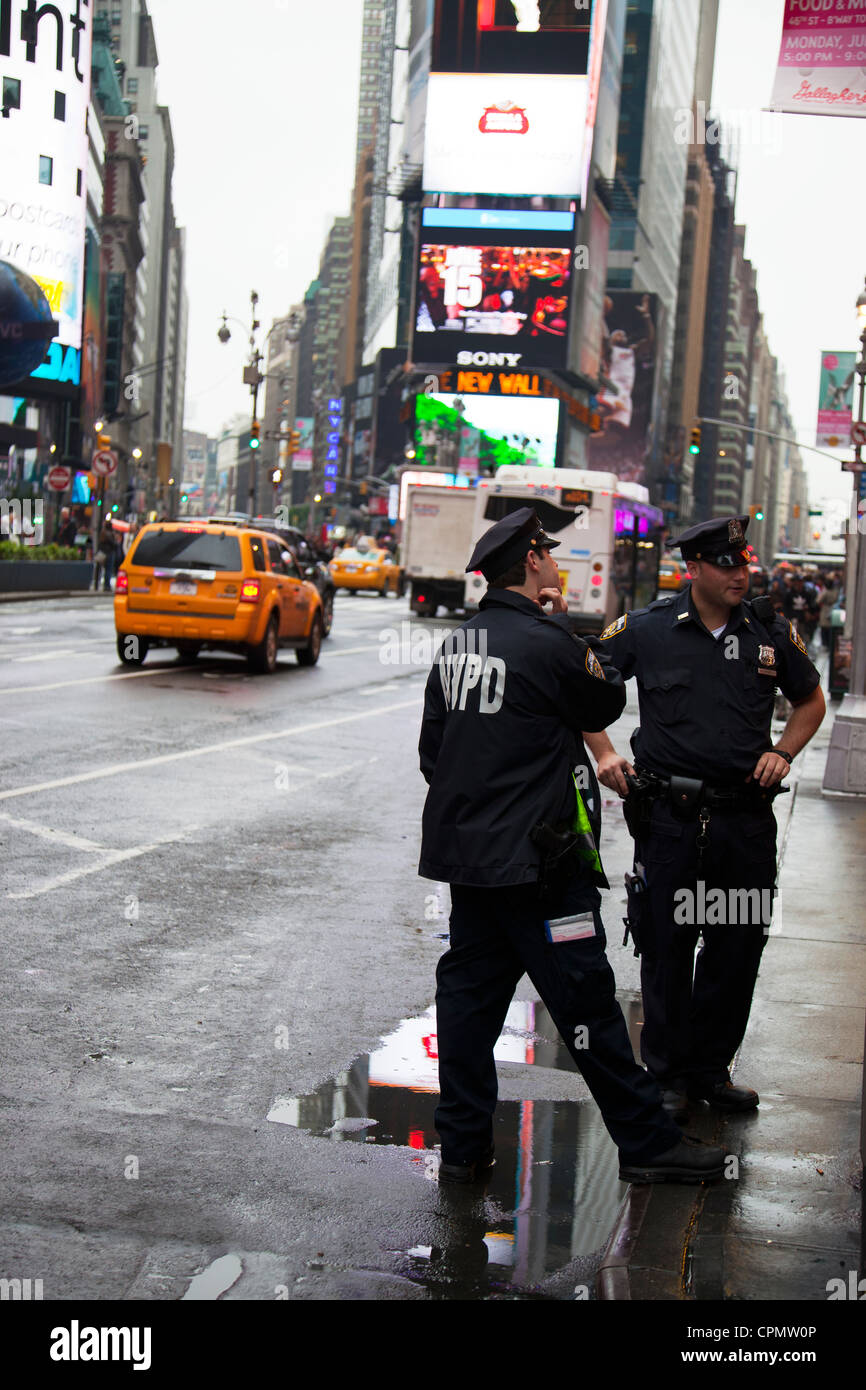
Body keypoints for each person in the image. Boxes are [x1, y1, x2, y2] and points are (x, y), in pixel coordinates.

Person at [418, 507, 726, 1185]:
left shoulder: (458, 645)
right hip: (543, 867)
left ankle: (463, 1149)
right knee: (588, 1004)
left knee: (467, 1007)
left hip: (473, 868)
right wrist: (562, 626)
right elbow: (604, 702)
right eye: (549, 555)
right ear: (530, 563)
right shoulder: (547, 640)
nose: (558, 564)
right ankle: (647, 1144)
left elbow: (433, 754)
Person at [584, 515, 825, 1123]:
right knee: (666, 946)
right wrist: (606, 751)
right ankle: (665, 1075)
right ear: (696, 569)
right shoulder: (648, 628)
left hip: (744, 824)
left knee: (736, 946)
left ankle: (710, 1071)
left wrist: (783, 751)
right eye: (729, 565)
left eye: (746, 564)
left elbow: (810, 701)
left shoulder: (769, 633)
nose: (743, 574)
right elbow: (579, 686)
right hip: (671, 821)